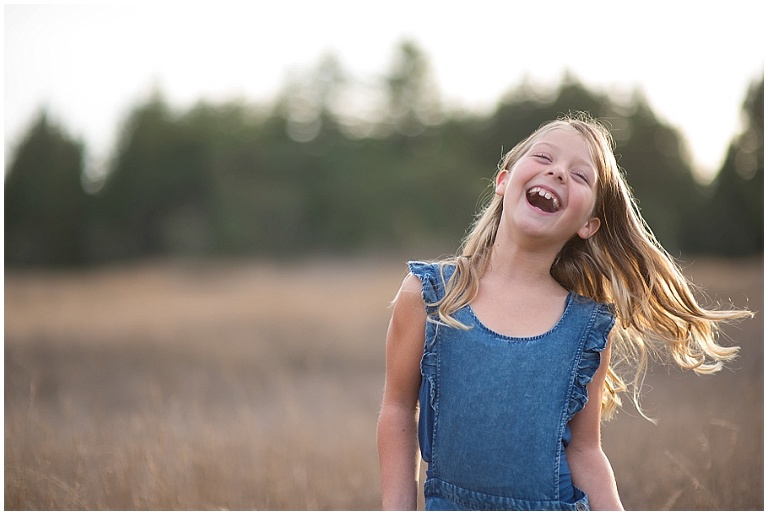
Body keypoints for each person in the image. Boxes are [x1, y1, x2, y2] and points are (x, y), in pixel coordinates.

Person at [376, 112, 751, 511]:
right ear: (504, 180)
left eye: (580, 176)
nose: (557, 173)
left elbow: (586, 451)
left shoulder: (586, 327)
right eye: (543, 158)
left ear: (589, 225)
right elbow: (398, 408)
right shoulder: (430, 295)